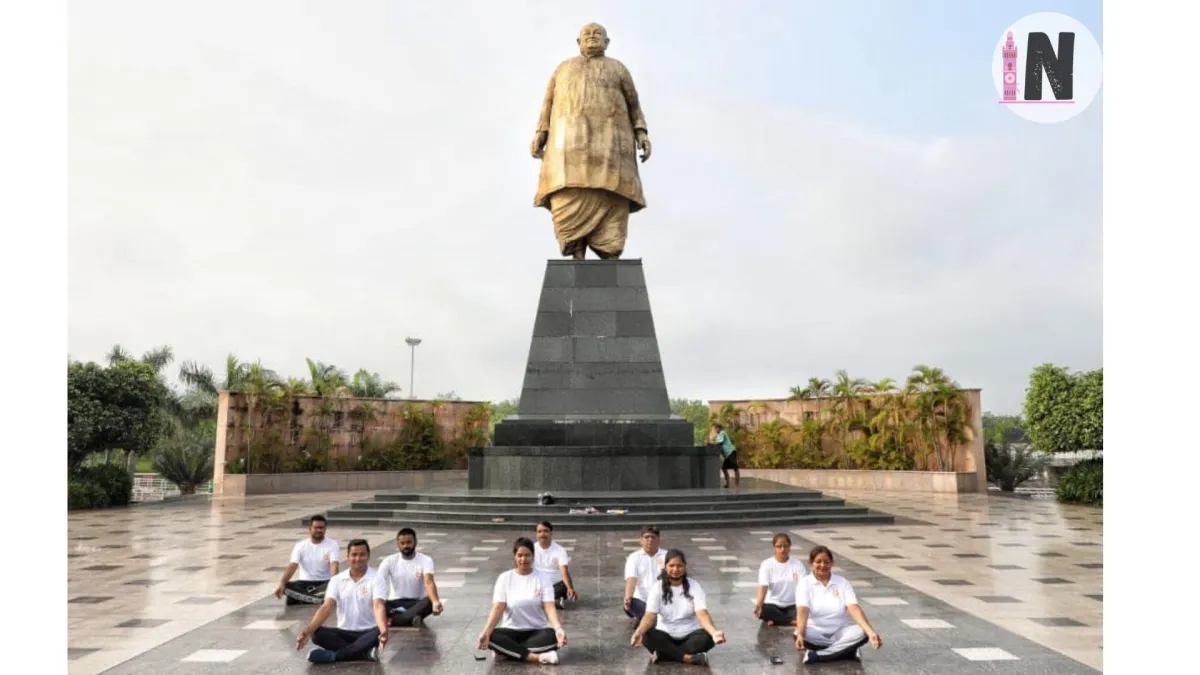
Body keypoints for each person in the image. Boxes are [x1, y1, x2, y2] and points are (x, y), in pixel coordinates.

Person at [530, 23, 652, 260]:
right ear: (578, 42)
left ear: (607, 43)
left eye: (598, 33)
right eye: (587, 33)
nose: (593, 35)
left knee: (612, 196)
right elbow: (548, 105)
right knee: (568, 196)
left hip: (612, 145)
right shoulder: (563, 69)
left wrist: (642, 132)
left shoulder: (618, 69)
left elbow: (634, 105)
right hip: (568, 147)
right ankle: (576, 253)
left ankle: (610, 254)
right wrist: (540, 133)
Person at [295, 539, 389, 664]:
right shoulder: (337, 580)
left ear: (368, 556)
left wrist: (383, 631)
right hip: (343, 632)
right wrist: (307, 632)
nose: (358, 558)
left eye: (362, 554)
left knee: (378, 631)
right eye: (354, 555)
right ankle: (363, 653)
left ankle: (334, 656)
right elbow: (326, 607)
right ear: (348, 557)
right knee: (316, 633)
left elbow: (378, 605)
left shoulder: (377, 578)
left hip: (367, 632)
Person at [477, 537, 568, 665]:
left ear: (533, 556)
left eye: (527, 555)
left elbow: (549, 606)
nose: (523, 559)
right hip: (510, 631)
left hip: (537, 631)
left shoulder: (543, 578)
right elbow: (498, 607)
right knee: (491, 637)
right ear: (515, 556)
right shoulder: (504, 578)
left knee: (554, 638)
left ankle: (507, 651)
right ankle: (536, 657)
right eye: (520, 555)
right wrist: (486, 630)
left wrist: (558, 629)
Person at [630, 549, 726, 666]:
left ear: (685, 567)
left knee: (707, 638)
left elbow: (702, 613)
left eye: (679, 566)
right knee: (647, 635)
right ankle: (687, 657)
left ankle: (665, 654)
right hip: (665, 634)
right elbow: (650, 615)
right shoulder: (657, 587)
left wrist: (714, 632)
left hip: (690, 635)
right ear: (665, 567)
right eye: (672, 565)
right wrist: (639, 632)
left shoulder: (694, 586)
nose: (675, 569)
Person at [793, 545, 883, 664]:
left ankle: (818, 655)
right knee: (799, 632)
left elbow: (853, 608)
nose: (822, 565)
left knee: (862, 632)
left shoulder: (842, 582)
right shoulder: (804, 583)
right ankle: (847, 650)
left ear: (832, 563)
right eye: (818, 561)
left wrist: (871, 633)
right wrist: (800, 634)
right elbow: (802, 610)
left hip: (840, 632)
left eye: (826, 562)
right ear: (811, 563)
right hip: (815, 633)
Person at [376, 527, 444, 627]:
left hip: (416, 602)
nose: (406, 546)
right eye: (402, 543)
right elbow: (378, 582)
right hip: (395, 603)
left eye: (409, 542)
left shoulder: (425, 560)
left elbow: (428, 582)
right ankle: (411, 618)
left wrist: (435, 602)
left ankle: (394, 620)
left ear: (415, 542)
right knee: (378, 604)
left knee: (430, 602)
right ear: (398, 545)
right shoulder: (389, 561)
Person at [275, 515, 340, 605]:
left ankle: (305, 598)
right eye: (316, 528)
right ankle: (318, 599)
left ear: (325, 529)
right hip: (304, 584)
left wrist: (334, 584)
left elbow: (334, 565)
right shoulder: (300, 546)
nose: (319, 530)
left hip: (324, 583)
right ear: (310, 528)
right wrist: (282, 583)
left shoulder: (332, 544)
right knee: (287, 586)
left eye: (321, 528)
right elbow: (293, 565)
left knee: (332, 586)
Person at [754, 533, 809, 627]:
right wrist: (758, 605)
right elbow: (763, 587)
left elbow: (804, 586)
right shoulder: (767, 564)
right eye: (779, 546)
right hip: (773, 604)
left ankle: (777, 621)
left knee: (805, 611)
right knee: (764, 611)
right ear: (774, 548)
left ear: (789, 547)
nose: (783, 549)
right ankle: (792, 622)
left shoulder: (797, 564)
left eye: (785, 546)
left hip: (793, 604)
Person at [623, 525, 667, 621]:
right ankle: (651, 620)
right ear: (641, 540)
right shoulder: (633, 557)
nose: (650, 540)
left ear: (658, 540)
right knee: (632, 604)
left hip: (663, 599)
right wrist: (628, 597)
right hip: (641, 600)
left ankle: (647, 621)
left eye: (653, 537)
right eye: (646, 537)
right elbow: (631, 578)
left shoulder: (667, 556)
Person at [534, 521, 578, 609]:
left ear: (551, 533)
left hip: (555, 585)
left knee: (562, 588)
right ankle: (551, 602)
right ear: (536, 534)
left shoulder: (560, 550)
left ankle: (543, 601)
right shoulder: (531, 548)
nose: (542, 534)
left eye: (545, 531)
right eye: (539, 531)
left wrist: (570, 588)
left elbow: (564, 572)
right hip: (537, 584)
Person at [713, 423, 740, 488]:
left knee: (735, 468)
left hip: (731, 452)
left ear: (719, 428)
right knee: (724, 468)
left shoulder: (722, 432)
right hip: (727, 455)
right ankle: (727, 484)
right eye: (715, 428)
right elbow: (718, 445)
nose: (715, 430)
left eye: (716, 428)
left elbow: (720, 443)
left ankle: (737, 485)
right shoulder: (718, 436)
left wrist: (712, 444)